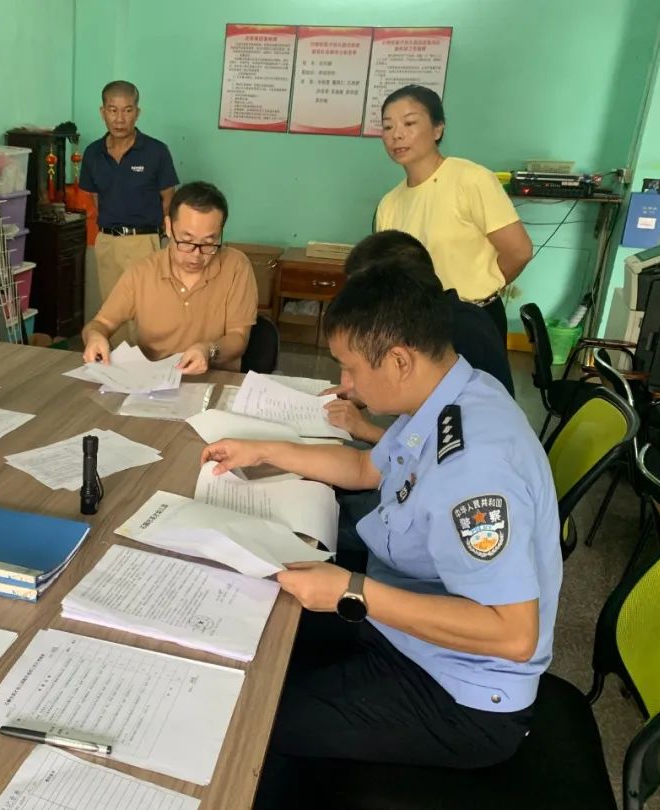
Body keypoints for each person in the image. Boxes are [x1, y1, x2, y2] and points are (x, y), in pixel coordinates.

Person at [201, 262, 561, 805]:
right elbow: (366, 469)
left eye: (349, 367)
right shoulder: (450, 393)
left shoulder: (475, 468)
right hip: (408, 628)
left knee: (254, 717)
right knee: (257, 621)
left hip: (461, 693)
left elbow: (512, 634)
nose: (345, 384)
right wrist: (262, 451)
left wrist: (352, 591)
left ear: (398, 360)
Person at [325, 229, 515, 444]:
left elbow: (436, 449)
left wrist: (365, 429)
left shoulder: (460, 336)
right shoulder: (447, 315)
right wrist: (364, 391)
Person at [376, 84, 533, 344]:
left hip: (472, 320)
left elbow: (519, 251)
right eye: (388, 126)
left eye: (409, 123)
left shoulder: (471, 179)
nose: (397, 135)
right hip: (416, 323)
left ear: (438, 129)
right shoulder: (389, 204)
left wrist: (481, 290)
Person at [81, 181, 257, 374]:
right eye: (186, 241)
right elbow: (101, 323)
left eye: (208, 243)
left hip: (216, 379)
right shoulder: (142, 273)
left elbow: (239, 337)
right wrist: (95, 337)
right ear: (168, 227)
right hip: (154, 382)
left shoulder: (236, 266)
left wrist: (209, 350)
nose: (196, 255)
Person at [79, 80, 179, 306]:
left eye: (127, 110)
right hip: (107, 242)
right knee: (112, 309)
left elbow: (168, 199)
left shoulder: (156, 151)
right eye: (113, 110)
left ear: (137, 112)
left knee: (145, 308)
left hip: (144, 242)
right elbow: (96, 199)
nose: (119, 119)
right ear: (102, 112)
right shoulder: (93, 153)